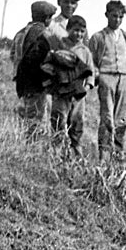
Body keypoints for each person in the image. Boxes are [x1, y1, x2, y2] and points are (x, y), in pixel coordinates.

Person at [87, 0, 126, 160]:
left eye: (120, 17)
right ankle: (104, 154)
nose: (117, 20)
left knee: (122, 117)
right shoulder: (98, 37)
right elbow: (91, 60)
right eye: (114, 16)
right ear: (107, 15)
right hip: (106, 76)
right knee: (107, 116)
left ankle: (118, 153)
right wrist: (97, 75)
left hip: (124, 77)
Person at [44, 16, 96, 157]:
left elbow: (91, 72)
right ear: (68, 29)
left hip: (78, 95)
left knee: (76, 124)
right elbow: (49, 65)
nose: (79, 34)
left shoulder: (85, 51)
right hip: (61, 92)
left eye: (82, 31)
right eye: (75, 30)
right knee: (59, 122)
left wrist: (88, 86)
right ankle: (56, 154)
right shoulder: (59, 45)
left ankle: (76, 156)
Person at [13, 1, 57, 134]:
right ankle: (35, 151)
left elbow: (12, 55)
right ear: (47, 18)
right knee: (40, 122)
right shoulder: (45, 34)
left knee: (27, 119)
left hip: (22, 83)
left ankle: (28, 149)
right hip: (39, 84)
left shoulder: (20, 33)